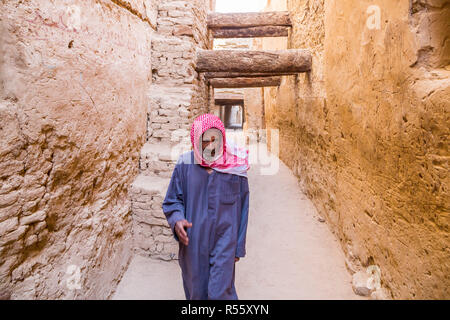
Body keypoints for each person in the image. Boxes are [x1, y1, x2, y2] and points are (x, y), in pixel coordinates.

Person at [162, 113, 250, 300]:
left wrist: (238, 247)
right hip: (193, 243)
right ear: (195, 140)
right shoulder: (184, 165)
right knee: (196, 293)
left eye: (215, 139)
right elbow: (172, 200)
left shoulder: (236, 167)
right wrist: (177, 220)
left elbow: (243, 208)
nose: (210, 145)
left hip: (225, 242)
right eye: (205, 140)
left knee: (221, 294)